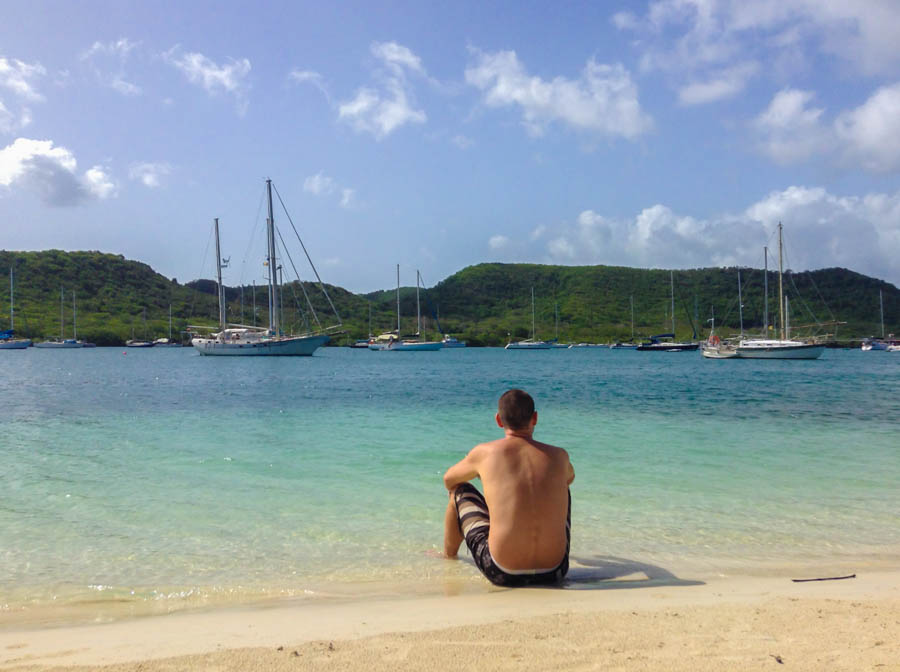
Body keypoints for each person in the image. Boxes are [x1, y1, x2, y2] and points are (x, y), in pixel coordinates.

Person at [442, 389, 574, 586]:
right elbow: (569, 479)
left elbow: (448, 480)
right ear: (535, 418)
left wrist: (480, 473)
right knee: (563, 486)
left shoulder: (485, 453)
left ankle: (448, 557)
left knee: (459, 491)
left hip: (502, 572)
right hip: (555, 571)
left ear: (498, 420)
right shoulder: (559, 456)